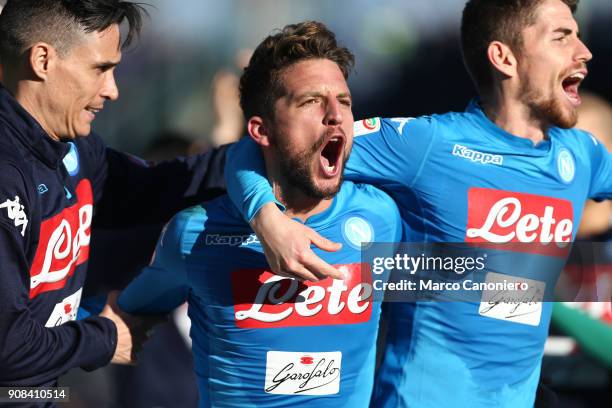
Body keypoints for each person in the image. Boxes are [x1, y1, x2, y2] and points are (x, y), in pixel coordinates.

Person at [224, 0, 612, 406]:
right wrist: (266, 219)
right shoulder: (427, 145)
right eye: (561, 37)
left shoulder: (581, 156)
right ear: (504, 58)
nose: (583, 51)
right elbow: (258, 149)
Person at [118, 21, 402, 407]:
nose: (335, 114)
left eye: (345, 101)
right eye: (310, 102)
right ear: (261, 131)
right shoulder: (195, 234)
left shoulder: (380, 216)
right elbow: (128, 318)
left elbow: (449, 281)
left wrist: (512, 289)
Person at [0, 0, 228, 393]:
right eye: (101, 69)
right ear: (42, 60)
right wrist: (106, 338)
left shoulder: (75, 151)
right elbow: (7, 345)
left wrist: (259, 155)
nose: (113, 90)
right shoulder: (6, 176)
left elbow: (159, 187)